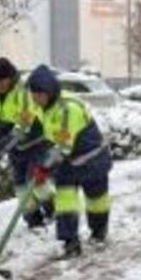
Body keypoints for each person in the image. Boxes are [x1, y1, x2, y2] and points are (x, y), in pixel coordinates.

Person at [26, 64, 112, 258]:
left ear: (50, 91)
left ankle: (99, 232)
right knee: (65, 200)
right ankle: (70, 242)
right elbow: (39, 132)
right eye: (33, 95)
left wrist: (44, 167)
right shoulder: (44, 107)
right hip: (67, 159)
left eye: (39, 95)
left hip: (91, 159)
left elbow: (63, 146)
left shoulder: (69, 108)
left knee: (96, 200)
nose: (36, 99)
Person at [0, 57, 52, 228]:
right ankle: (34, 221)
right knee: (20, 186)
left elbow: (24, 124)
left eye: (3, 79)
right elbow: (2, 125)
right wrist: (0, 147)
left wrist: (3, 146)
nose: (0, 84)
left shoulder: (24, 92)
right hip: (16, 148)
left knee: (35, 180)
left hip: (36, 142)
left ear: (11, 77)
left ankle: (55, 211)